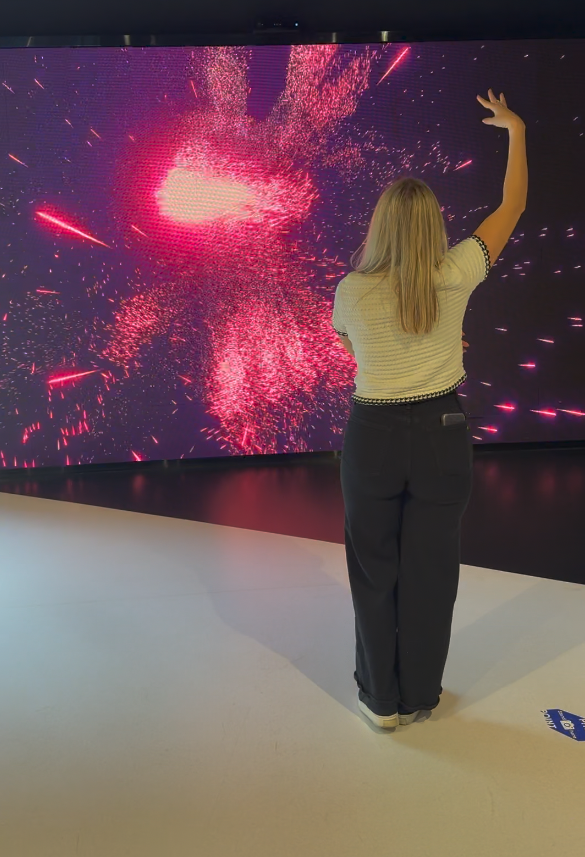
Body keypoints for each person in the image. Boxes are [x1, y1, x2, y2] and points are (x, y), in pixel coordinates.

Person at [332, 89, 528, 729]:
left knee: (374, 571)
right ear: (434, 227)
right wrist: (516, 130)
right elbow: (512, 206)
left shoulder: (351, 291)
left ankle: (380, 702)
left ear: (380, 226)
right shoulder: (457, 272)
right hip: (443, 433)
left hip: (374, 436)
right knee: (432, 573)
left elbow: (353, 345)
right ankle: (420, 696)